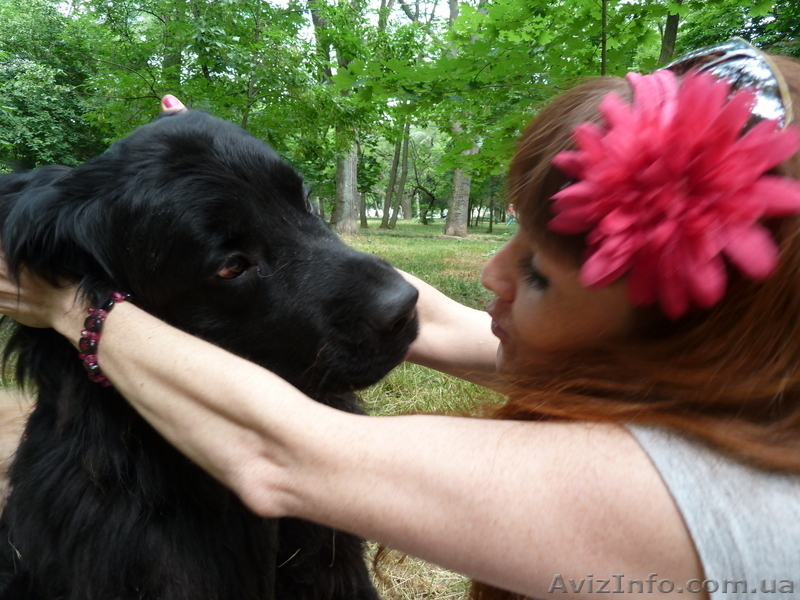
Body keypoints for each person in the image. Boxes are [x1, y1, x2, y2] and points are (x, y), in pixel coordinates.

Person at [3, 40, 800, 599]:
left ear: (685, 336)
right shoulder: (740, 386)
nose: (489, 275)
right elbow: (446, 324)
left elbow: (276, 455)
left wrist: (74, 307)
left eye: (535, 273)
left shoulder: (718, 503)